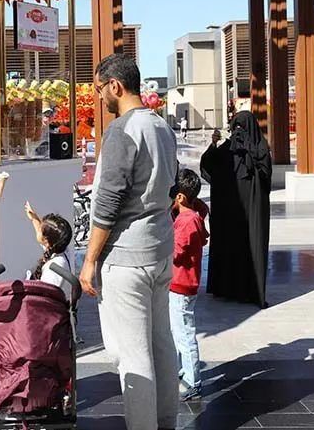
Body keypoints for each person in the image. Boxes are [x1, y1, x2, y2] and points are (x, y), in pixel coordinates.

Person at [78, 54, 179, 430]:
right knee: (161, 342)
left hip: (127, 255)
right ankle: (167, 421)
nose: (98, 96)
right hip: (159, 248)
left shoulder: (121, 130)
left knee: (133, 354)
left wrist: (89, 260)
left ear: (115, 86)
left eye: (98, 88)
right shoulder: (161, 127)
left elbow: (108, 202)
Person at [199, 111, 272, 308]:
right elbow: (266, 178)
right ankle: (251, 290)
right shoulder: (260, 148)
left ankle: (226, 288)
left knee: (229, 246)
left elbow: (207, 167)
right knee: (250, 247)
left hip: (228, 214)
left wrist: (213, 145)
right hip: (252, 213)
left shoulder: (226, 149)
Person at [168, 169, 210, 401]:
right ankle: (184, 372)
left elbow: (176, 252)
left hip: (181, 284)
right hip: (182, 284)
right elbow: (202, 208)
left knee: (184, 333)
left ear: (180, 197)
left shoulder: (186, 222)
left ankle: (193, 381)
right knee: (179, 331)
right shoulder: (195, 215)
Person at [24, 201, 73, 298]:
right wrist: (34, 218)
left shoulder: (55, 267)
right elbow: (40, 231)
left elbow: (46, 296)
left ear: (46, 240)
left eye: (41, 231)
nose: (38, 231)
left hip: (49, 309)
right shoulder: (58, 247)